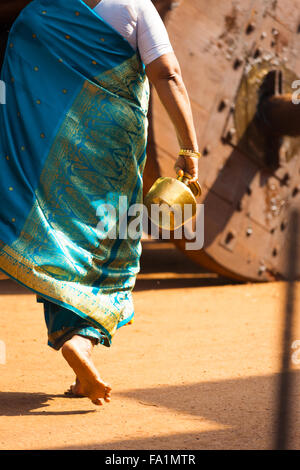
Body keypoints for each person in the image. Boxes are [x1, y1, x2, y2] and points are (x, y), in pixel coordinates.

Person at [0, 0, 200, 406]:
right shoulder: (135, 6)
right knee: (112, 249)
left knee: (58, 243)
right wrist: (190, 150)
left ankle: (73, 342)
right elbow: (168, 73)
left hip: (48, 148)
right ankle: (81, 340)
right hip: (112, 146)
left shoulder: (41, 10)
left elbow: (22, 79)